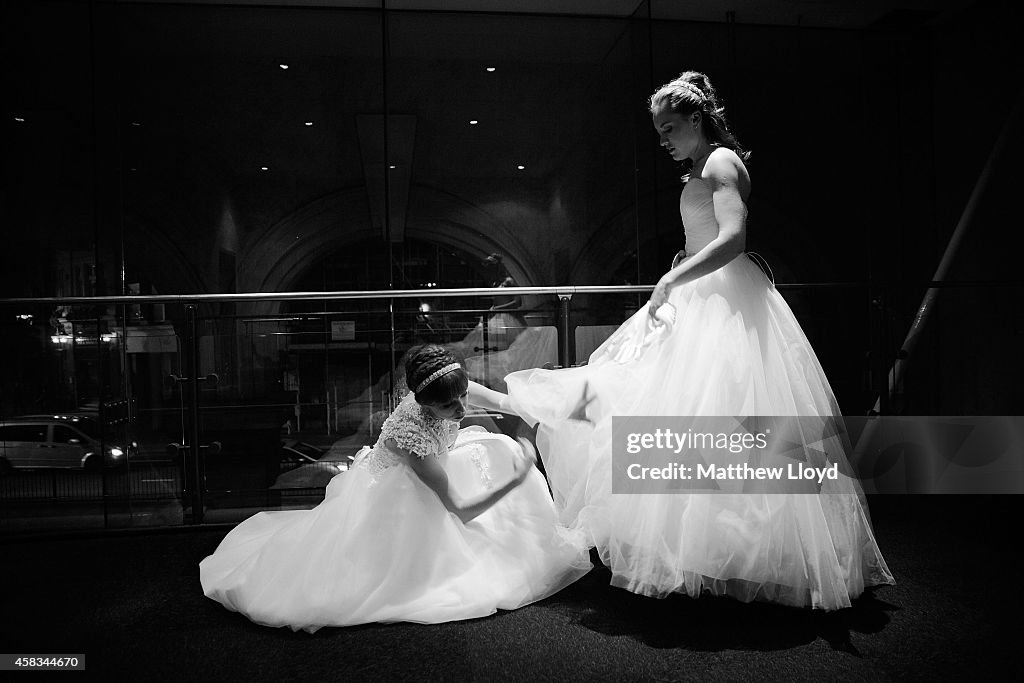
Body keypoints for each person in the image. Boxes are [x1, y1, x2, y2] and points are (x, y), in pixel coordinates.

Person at [504, 71, 894, 610]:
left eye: (669, 127)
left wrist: (673, 278)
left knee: (716, 409)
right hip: (702, 292)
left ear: (696, 119)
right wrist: (685, 266)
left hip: (721, 300)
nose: (662, 139)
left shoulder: (718, 162)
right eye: (658, 130)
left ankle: (735, 551)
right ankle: (706, 548)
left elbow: (734, 239)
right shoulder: (704, 166)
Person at [200, 344, 591, 632]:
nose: (461, 409)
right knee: (502, 463)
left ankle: (523, 539)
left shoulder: (449, 389)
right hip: (400, 490)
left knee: (498, 448)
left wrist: (563, 411)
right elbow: (462, 508)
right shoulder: (413, 437)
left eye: (463, 397)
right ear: (424, 406)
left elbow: (506, 402)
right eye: (449, 406)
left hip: (442, 460)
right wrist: (517, 476)